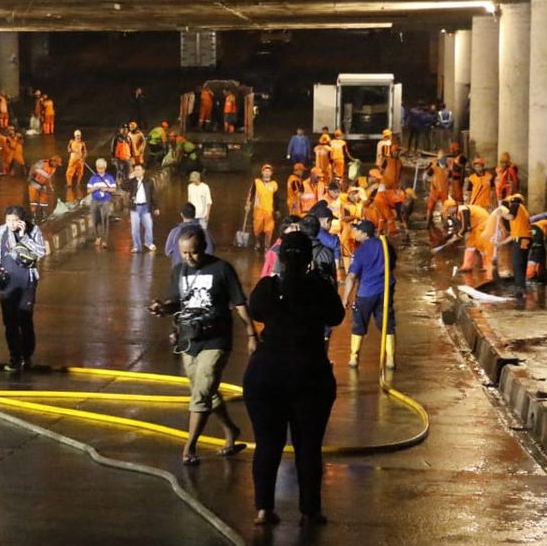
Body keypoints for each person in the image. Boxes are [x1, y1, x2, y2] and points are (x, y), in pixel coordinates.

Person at [243, 231, 345, 526]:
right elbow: (336, 317)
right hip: (309, 374)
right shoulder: (320, 288)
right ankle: (310, 510)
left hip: (266, 374)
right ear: (310, 259)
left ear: (280, 258)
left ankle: (264, 508)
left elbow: (257, 311)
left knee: (267, 444)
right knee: (308, 447)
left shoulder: (268, 287)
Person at [149, 225, 251, 466]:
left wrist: (251, 333)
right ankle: (230, 431)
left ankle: (189, 446)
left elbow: (238, 302)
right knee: (204, 390)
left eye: (193, 252)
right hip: (189, 340)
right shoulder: (179, 271)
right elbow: (175, 302)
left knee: (201, 393)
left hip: (217, 340)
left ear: (203, 248)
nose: (188, 258)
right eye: (184, 253)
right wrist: (162, 308)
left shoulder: (222, 270)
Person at [0, 206, 49, 371]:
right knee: (9, 321)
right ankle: (14, 357)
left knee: (25, 319)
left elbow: (41, 251)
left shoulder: (33, 231)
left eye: (15, 220)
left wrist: (24, 237)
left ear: (22, 220)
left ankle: (27, 355)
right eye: (8, 220)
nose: (11, 224)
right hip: (7, 282)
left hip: (27, 282)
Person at [342, 221, 396, 369]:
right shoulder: (385, 246)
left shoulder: (360, 251)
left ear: (365, 234)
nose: (355, 233)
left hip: (366, 293)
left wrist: (345, 297)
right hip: (384, 292)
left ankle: (354, 358)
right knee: (387, 324)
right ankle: (390, 360)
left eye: (358, 231)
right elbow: (392, 264)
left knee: (359, 324)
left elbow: (352, 276)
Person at [123, 163, 159, 253]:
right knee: (135, 228)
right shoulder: (132, 182)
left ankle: (148, 242)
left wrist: (156, 207)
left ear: (143, 171)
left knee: (149, 226)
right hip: (135, 207)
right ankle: (136, 245)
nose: (137, 172)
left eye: (138, 170)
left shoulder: (149, 181)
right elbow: (123, 186)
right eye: (135, 170)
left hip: (145, 207)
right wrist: (129, 178)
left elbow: (153, 195)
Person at [245, 164, 279, 253]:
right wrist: (248, 204)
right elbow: (251, 194)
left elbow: (276, 198)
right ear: (262, 172)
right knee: (257, 229)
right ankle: (257, 243)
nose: (267, 173)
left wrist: (277, 210)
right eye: (265, 171)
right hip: (258, 210)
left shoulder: (274, 184)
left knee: (269, 230)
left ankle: (267, 246)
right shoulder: (256, 182)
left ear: (271, 173)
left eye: (269, 171)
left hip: (269, 210)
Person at [87, 158, 116, 250]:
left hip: (105, 201)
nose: (101, 170)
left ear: (105, 168)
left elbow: (114, 189)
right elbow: (88, 190)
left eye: (102, 168)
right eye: (99, 168)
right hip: (95, 201)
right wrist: (95, 188)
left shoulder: (109, 177)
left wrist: (106, 189)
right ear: (96, 168)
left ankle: (104, 240)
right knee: (95, 220)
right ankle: (97, 237)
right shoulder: (93, 178)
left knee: (105, 220)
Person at [27, 155, 61, 219]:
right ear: (53, 161)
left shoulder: (54, 168)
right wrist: (30, 176)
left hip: (43, 184)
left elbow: (48, 177)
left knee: (44, 200)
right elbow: (33, 168)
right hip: (34, 183)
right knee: (33, 200)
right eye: (56, 163)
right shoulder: (42, 163)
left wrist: (50, 186)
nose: (56, 165)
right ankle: (34, 214)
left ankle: (43, 212)